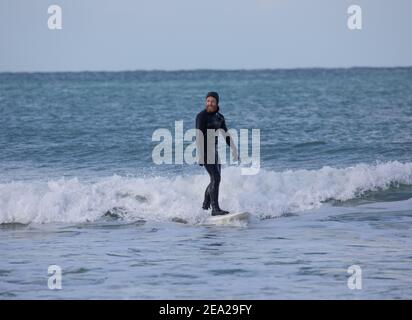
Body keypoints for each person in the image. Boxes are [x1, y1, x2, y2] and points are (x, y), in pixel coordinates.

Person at [196, 92, 238, 216]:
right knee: (216, 178)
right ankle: (215, 209)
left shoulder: (219, 117)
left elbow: (225, 134)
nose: (209, 103)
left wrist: (234, 148)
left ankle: (205, 205)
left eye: (212, 101)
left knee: (215, 179)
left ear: (217, 103)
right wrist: (201, 155)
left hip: (214, 150)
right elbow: (198, 136)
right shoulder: (201, 116)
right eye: (208, 101)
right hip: (205, 150)